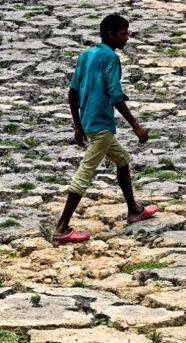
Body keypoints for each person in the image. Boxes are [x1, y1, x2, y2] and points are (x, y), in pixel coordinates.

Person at [53, 13, 158, 243]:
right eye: (123, 33)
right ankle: (61, 228)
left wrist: (78, 125)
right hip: (101, 124)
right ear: (110, 34)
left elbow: (72, 92)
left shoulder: (86, 55)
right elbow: (115, 95)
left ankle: (133, 210)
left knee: (122, 159)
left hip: (90, 122)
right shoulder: (111, 58)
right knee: (84, 173)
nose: (127, 38)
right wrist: (136, 126)